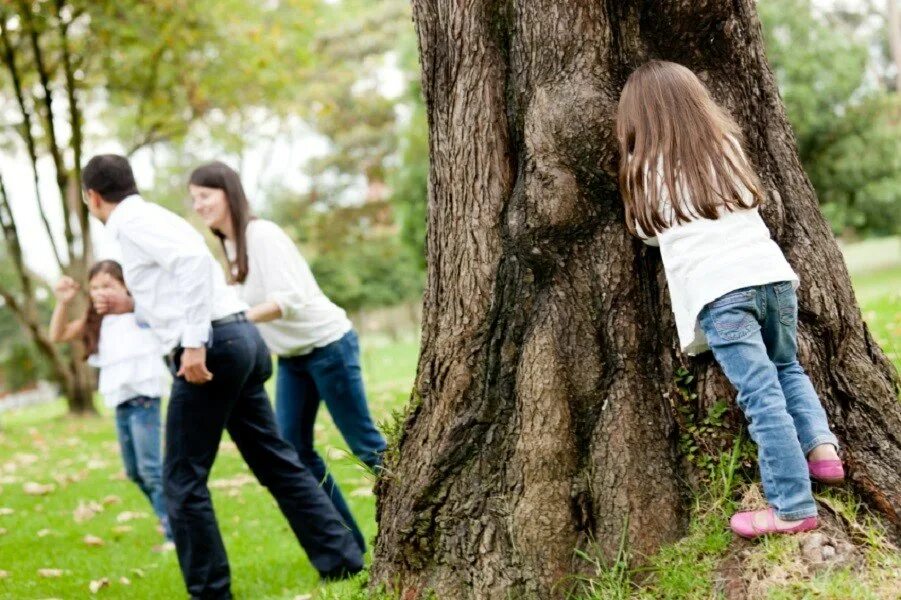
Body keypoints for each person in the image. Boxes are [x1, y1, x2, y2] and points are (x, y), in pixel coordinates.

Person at [81, 154, 362, 598]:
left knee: (182, 479)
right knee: (276, 461)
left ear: (92, 197)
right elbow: (180, 285)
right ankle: (343, 560)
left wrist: (192, 343)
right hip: (239, 337)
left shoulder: (129, 224)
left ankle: (210, 592)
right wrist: (132, 305)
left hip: (211, 347)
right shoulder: (154, 215)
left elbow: (192, 264)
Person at [615, 60, 844, 539]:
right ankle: (822, 452)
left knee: (761, 398)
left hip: (721, 293)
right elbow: (751, 201)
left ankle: (792, 506)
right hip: (773, 280)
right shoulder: (726, 150)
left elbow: (647, 233)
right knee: (788, 369)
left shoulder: (645, 172)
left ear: (637, 120)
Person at [188, 161, 386, 554]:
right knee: (294, 450)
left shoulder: (262, 235)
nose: (198, 205)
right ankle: (346, 543)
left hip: (328, 345)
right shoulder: (229, 246)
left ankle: (424, 519)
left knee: (363, 445)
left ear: (228, 193)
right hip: (294, 359)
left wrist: (236, 319)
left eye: (205, 196)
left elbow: (290, 298)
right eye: (194, 199)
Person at [49, 260, 173, 549]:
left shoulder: (139, 313)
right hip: (121, 403)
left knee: (151, 469)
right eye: (94, 287)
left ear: (124, 286)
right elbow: (58, 335)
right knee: (133, 471)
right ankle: (172, 519)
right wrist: (63, 303)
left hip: (145, 398)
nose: (100, 292)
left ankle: (174, 532)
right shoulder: (96, 321)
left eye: (108, 285)